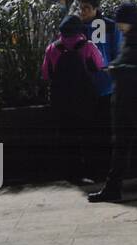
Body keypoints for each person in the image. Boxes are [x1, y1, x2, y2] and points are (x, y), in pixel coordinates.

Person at [89, 2, 137, 202]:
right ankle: (112, 188)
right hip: (125, 101)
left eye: (122, 23)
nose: (119, 26)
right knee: (122, 146)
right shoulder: (132, 37)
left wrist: (117, 69)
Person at [41, 14, 107, 183]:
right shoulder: (88, 46)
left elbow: (46, 75)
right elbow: (100, 66)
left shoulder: (52, 48)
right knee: (88, 135)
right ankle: (93, 171)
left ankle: (71, 173)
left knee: (67, 136)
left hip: (61, 100)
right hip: (85, 99)